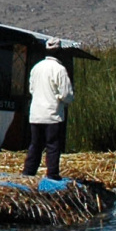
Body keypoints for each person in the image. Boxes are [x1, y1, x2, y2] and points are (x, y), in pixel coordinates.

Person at [24, 38, 74, 179]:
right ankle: (52, 174)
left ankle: (28, 172)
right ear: (59, 52)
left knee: (35, 145)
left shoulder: (36, 68)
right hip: (52, 115)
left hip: (35, 114)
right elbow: (67, 94)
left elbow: (31, 89)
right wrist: (61, 98)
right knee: (52, 145)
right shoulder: (59, 69)